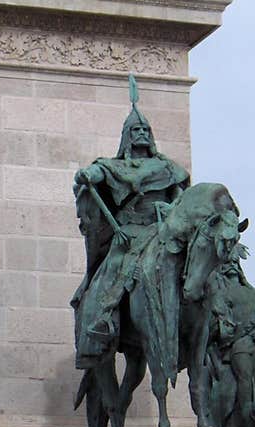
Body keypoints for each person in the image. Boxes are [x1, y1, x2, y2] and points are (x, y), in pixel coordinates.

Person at [71, 74, 190, 370]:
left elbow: (181, 200)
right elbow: (96, 174)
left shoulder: (168, 168)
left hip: (160, 231)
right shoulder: (114, 166)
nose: (141, 134)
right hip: (128, 234)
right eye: (135, 129)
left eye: (145, 129)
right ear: (127, 135)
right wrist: (86, 175)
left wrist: (171, 208)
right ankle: (100, 323)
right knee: (114, 270)